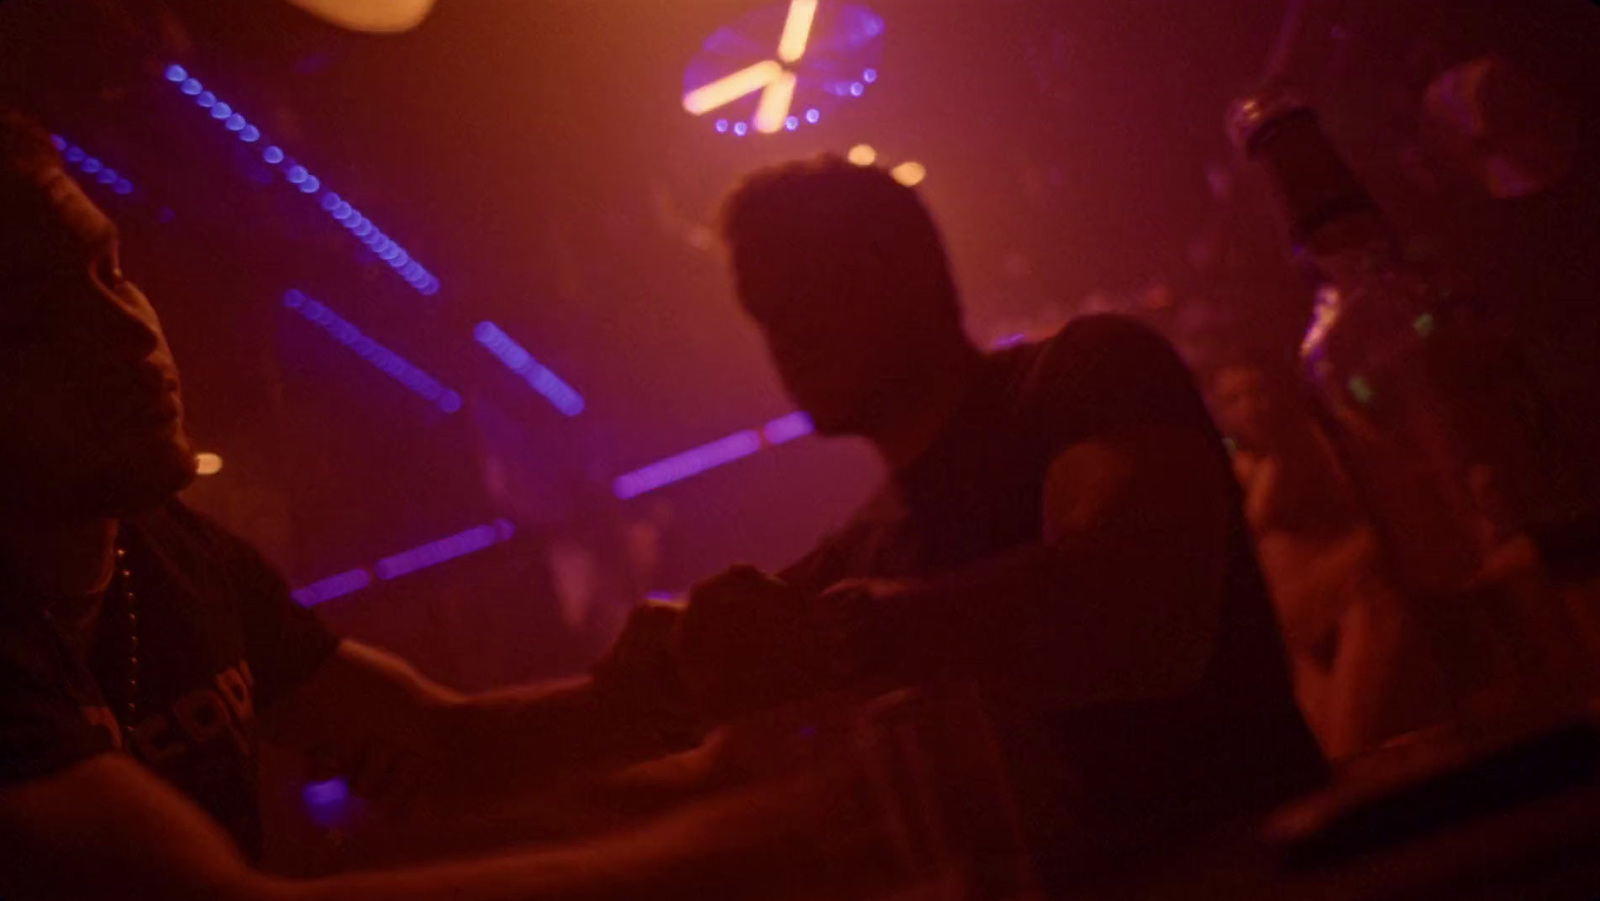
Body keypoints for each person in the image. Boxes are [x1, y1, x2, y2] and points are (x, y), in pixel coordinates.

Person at [0, 110, 871, 901]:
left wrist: (655, 693)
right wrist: (738, 844)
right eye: (33, 326)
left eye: (110, 270)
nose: (125, 328)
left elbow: (438, 744)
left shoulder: (177, 553)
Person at [672, 156, 1330, 890]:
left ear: (892, 264)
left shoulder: (1083, 375)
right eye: (766, 316)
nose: (785, 340)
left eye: (798, 297)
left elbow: (1143, 610)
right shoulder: (858, 550)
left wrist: (852, 641)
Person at [1206, 359, 1458, 758]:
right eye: (1234, 399)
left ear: (1280, 391)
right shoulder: (1240, 469)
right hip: (1302, 636)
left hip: (1358, 608)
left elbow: (1390, 511)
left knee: (1347, 747)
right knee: (1326, 758)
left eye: (1258, 391)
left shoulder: (1327, 442)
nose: (1251, 407)